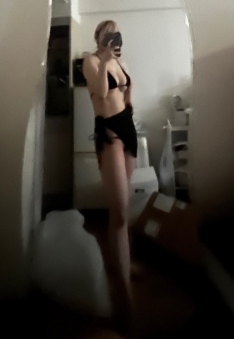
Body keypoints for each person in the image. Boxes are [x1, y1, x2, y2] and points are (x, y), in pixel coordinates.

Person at [82, 20, 137, 332]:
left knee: (122, 210)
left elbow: (127, 94)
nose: (112, 38)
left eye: (115, 33)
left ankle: (122, 264)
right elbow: (102, 95)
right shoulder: (91, 62)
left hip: (128, 128)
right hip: (109, 132)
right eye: (107, 33)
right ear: (98, 37)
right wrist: (104, 61)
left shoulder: (120, 61)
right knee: (119, 214)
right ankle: (124, 294)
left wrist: (129, 89)